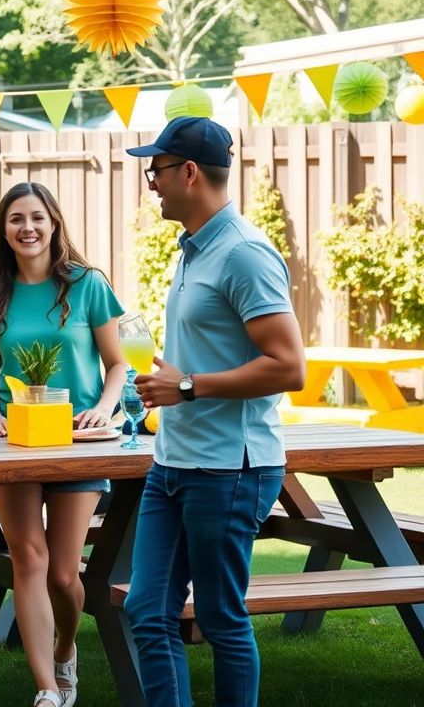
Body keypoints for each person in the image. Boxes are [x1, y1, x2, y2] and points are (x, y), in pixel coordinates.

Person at [125, 116, 306, 707]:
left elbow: (289, 367)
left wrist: (189, 386)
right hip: (173, 461)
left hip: (230, 469)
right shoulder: (192, 250)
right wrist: (166, 380)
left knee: (222, 619)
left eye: (156, 169)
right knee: (146, 611)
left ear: (190, 172)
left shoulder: (245, 254)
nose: (151, 181)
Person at [0, 182, 128, 707]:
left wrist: (105, 407)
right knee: (27, 560)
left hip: (80, 441)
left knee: (63, 574)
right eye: (16, 219)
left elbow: (118, 363)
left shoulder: (88, 286)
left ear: (55, 223)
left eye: (37, 217)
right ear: (4, 230)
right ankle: (45, 690)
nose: (28, 228)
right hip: (17, 445)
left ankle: (65, 647)